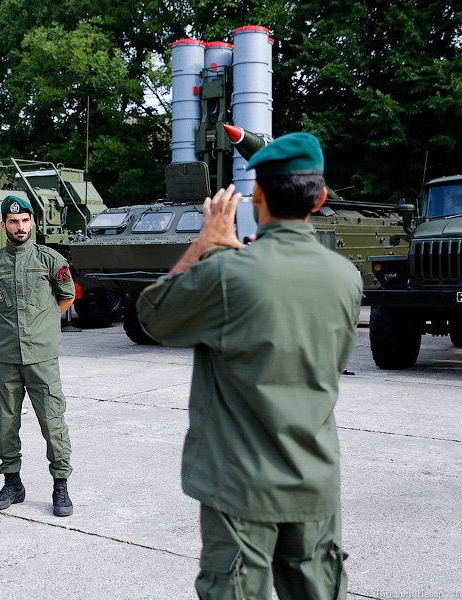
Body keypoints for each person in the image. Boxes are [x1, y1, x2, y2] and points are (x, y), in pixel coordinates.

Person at [137, 133, 361, 599]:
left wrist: (206, 242)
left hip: (241, 486)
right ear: (319, 199)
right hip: (313, 478)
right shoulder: (346, 277)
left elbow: (153, 316)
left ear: (256, 194)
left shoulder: (227, 272)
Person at [0, 195, 76, 517]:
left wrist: (42, 326)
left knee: (52, 422)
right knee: (5, 423)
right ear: (3, 224)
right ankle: (12, 484)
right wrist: (11, 329)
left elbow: (67, 296)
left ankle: (61, 486)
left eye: (25, 221)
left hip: (42, 357)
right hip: (6, 357)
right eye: (13, 222)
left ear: (32, 223)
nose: (20, 227)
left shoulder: (51, 259)